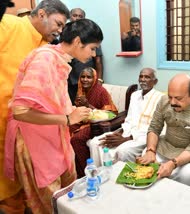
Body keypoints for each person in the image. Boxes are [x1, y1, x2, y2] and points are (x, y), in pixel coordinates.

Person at [4, 18, 102, 213]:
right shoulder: (44, 59)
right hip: (35, 141)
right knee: (49, 202)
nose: (93, 55)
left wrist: (74, 113)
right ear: (77, 42)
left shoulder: (58, 59)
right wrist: (67, 119)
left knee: (67, 193)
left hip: (53, 136)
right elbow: (21, 111)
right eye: (92, 48)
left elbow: (51, 100)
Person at [0, 0, 69, 212]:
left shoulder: (46, 49)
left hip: (28, 127)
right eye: (58, 24)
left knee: (23, 183)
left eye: (62, 27)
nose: (59, 30)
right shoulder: (9, 25)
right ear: (41, 14)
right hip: (5, 119)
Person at [137, 73, 190, 186]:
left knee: (185, 173)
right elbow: (154, 128)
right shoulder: (164, 101)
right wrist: (150, 151)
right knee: (146, 157)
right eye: (170, 97)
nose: (172, 102)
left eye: (178, 98)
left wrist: (173, 163)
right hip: (169, 144)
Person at [89, 68, 163, 164]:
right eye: (141, 76)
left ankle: (119, 176)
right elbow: (129, 119)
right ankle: (100, 173)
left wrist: (126, 139)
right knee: (95, 142)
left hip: (143, 138)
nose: (143, 79)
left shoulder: (160, 98)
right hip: (127, 133)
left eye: (147, 77)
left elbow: (155, 128)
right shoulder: (135, 95)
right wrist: (119, 132)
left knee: (122, 151)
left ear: (155, 81)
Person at [70, 67, 118, 178]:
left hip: (96, 124)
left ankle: (86, 172)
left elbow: (111, 113)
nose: (85, 80)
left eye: (89, 77)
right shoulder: (80, 90)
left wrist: (88, 105)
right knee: (64, 129)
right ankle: (73, 170)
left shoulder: (101, 91)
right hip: (82, 120)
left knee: (77, 139)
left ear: (95, 78)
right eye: (83, 77)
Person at [68, 8, 104, 105]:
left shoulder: (92, 36)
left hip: (87, 82)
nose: (77, 18)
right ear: (70, 17)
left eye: (80, 16)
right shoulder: (65, 36)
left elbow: (98, 61)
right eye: (75, 15)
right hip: (70, 83)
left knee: (88, 109)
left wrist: (99, 80)